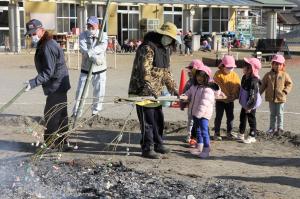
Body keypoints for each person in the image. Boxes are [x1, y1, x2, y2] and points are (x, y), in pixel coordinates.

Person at [128, 22, 180, 159]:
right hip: (142, 91)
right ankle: (147, 148)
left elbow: (166, 72)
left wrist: (174, 88)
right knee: (148, 121)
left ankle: (158, 143)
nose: (170, 41)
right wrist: (151, 90)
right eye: (168, 37)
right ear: (161, 34)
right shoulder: (147, 48)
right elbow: (144, 72)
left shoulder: (164, 50)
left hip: (156, 93)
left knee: (158, 119)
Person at [24, 19, 71, 150]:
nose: (32, 36)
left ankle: (49, 145)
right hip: (59, 85)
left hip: (56, 85)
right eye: (30, 34)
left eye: (34, 33)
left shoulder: (47, 46)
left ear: (42, 30)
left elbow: (48, 72)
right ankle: (63, 143)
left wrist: (33, 83)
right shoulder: (44, 44)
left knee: (51, 116)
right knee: (61, 116)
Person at [180, 60, 225, 158]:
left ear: (206, 78)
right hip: (196, 114)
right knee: (198, 130)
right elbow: (189, 92)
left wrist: (198, 114)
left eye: (201, 76)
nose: (199, 78)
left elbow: (204, 103)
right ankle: (199, 146)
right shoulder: (195, 86)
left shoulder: (207, 89)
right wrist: (184, 96)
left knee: (204, 131)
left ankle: (206, 148)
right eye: (198, 76)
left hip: (203, 115)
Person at [73, 16, 108, 117]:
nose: (90, 28)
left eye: (92, 26)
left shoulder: (103, 35)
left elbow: (102, 47)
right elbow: (84, 50)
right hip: (86, 68)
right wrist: (94, 58)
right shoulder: (82, 35)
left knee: (99, 91)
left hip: (100, 68)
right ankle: (76, 113)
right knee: (80, 91)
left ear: (98, 26)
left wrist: (91, 53)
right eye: (88, 25)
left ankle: (95, 113)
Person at [260, 54, 293, 135]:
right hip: (271, 98)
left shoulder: (285, 75)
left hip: (281, 98)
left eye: (280, 64)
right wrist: (258, 93)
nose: (278, 66)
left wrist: (285, 91)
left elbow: (290, 84)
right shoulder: (268, 75)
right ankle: (271, 128)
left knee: (280, 114)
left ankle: (280, 128)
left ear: (283, 65)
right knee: (272, 114)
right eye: (276, 64)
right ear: (272, 64)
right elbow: (263, 85)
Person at [213, 55, 241, 140]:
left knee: (230, 117)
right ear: (223, 66)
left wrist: (233, 96)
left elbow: (237, 86)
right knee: (218, 117)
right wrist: (223, 95)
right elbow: (217, 86)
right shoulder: (218, 74)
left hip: (230, 101)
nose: (230, 69)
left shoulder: (234, 75)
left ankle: (229, 132)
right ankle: (216, 133)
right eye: (228, 67)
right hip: (220, 100)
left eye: (232, 67)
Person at [236, 58, 262, 144]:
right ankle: (241, 133)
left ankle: (252, 135)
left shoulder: (253, 81)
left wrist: (250, 106)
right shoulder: (244, 77)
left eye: (245, 66)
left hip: (251, 104)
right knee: (242, 117)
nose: (243, 68)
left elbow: (253, 95)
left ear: (251, 69)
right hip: (245, 104)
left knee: (251, 118)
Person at [181, 61, 196, 144]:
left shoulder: (203, 81)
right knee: (191, 121)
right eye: (189, 70)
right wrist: (182, 104)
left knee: (198, 121)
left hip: (199, 107)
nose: (189, 72)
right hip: (191, 105)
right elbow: (184, 94)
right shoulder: (189, 82)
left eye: (191, 69)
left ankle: (195, 136)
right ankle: (189, 135)